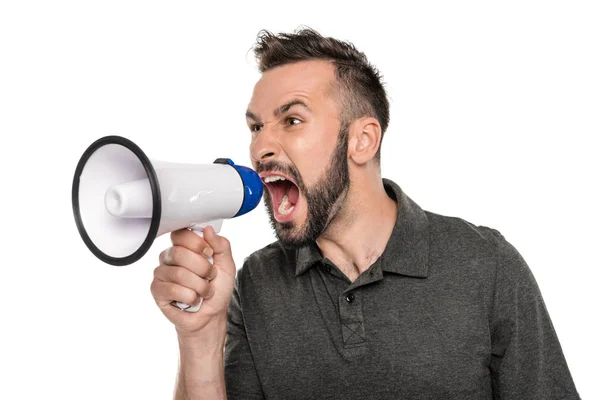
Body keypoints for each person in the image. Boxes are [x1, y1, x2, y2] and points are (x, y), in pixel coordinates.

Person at [150, 27, 580, 399]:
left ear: (362, 140)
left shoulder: (486, 265)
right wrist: (199, 334)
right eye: (256, 126)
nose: (260, 147)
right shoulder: (255, 282)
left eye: (292, 120)